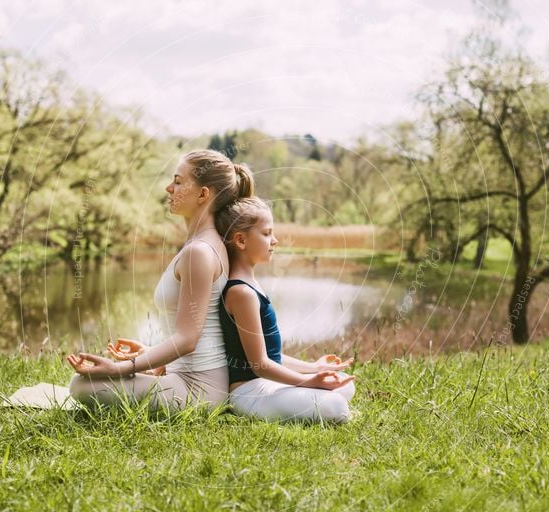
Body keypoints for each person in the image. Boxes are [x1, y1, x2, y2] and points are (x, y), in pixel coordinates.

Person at [65, 150, 254, 411]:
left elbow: (188, 339)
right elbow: (192, 330)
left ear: (203, 195)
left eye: (178, 181)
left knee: (81, 386)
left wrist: (122, 368)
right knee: (85, 382)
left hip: (198, 390)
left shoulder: (199, 252)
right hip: (188, 379)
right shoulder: (203, 245)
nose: (169, 188)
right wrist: (148, 354)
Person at [216, 197, 357, 424]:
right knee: (336, 406)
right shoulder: (241, 293)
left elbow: (271, 356)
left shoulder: (250, 286)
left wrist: (314, 368)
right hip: (249, 392)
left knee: (344, 383)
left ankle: (311, 394)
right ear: (241, 240)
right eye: (266, 233)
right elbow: (260, 365)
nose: (275, 240)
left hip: (267, 383)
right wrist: (309, 381)